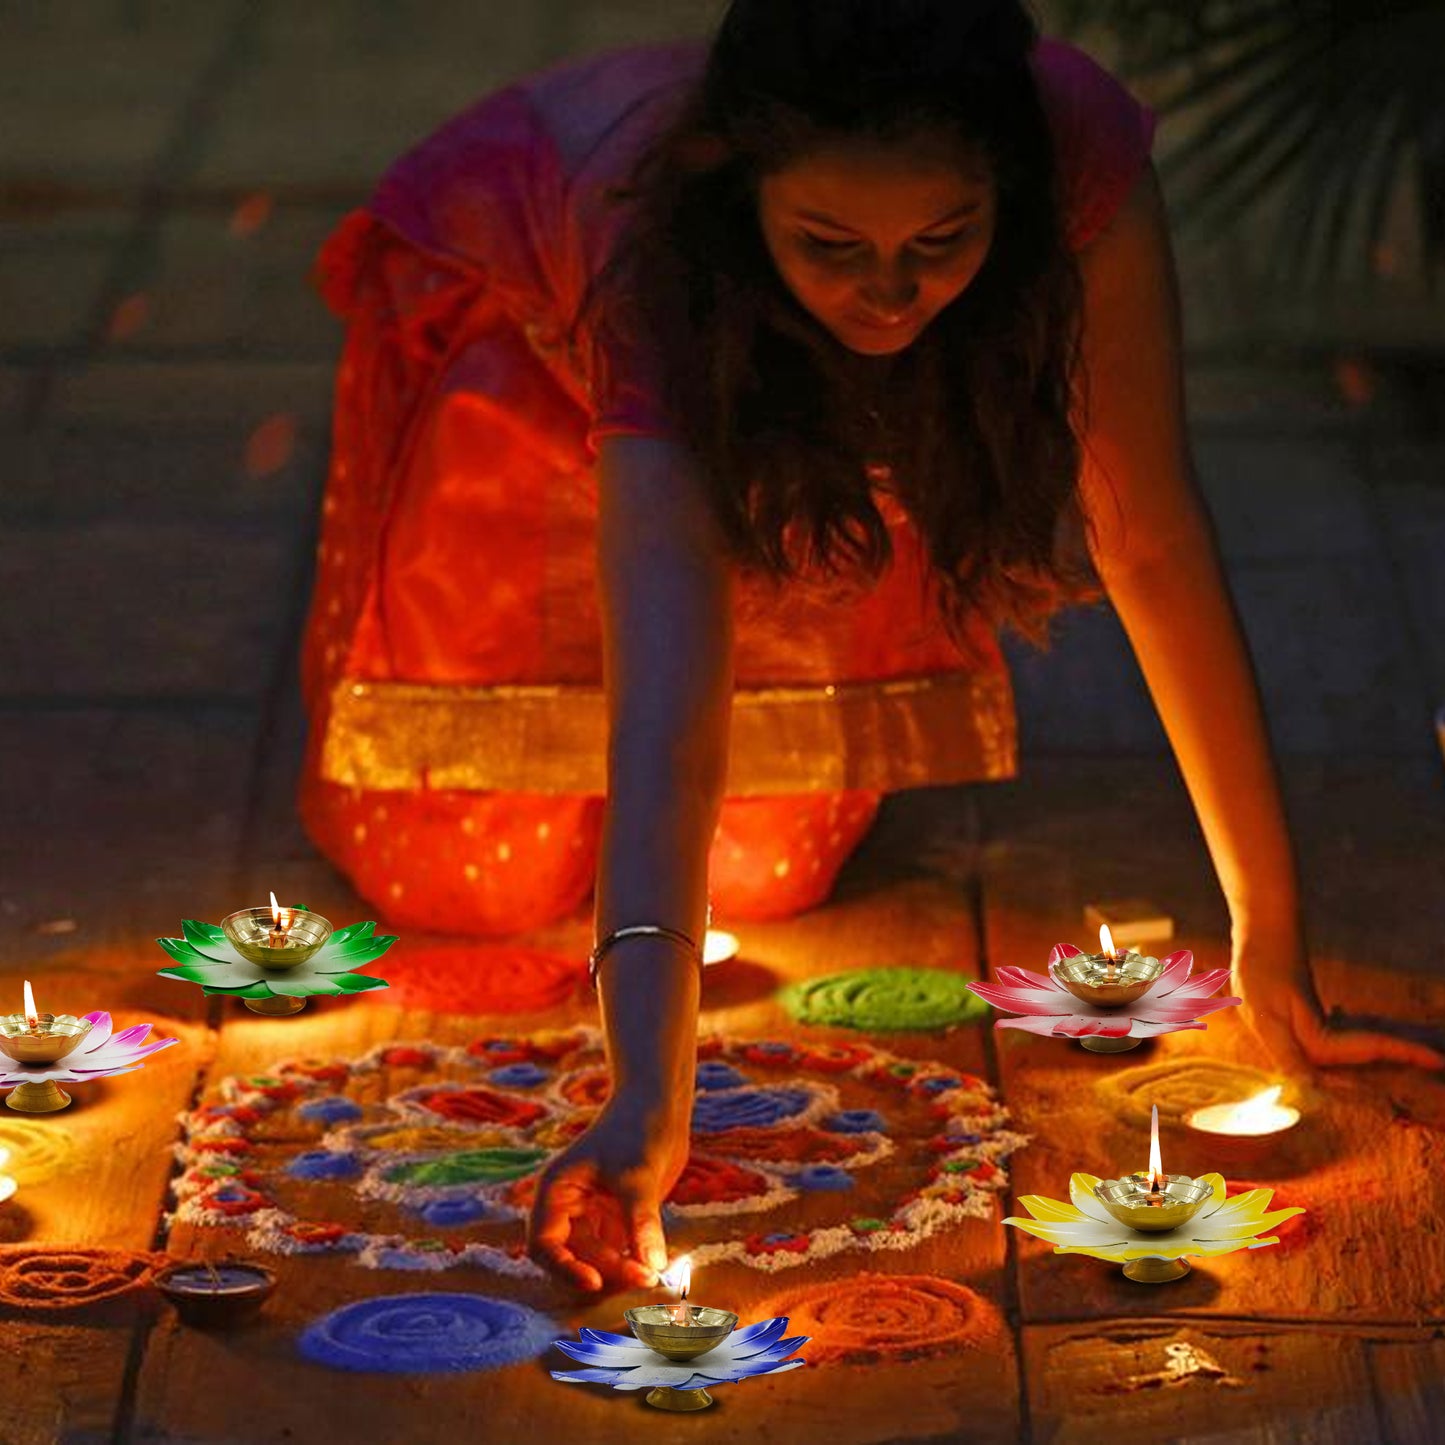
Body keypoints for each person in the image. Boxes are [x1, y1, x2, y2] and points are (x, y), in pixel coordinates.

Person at [299, 0, 1444, 1293]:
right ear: (742, 200)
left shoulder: (1078, 164)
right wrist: (646, 1108)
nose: (891, 292)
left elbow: (1151, 539)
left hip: (769, 360)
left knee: (770, 870)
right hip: (517, 323)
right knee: (471, 886)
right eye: (830, 243)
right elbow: (667, 714)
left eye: (942, 241)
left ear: (1006, 191)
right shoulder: (657, 260)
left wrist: (1270, 933)